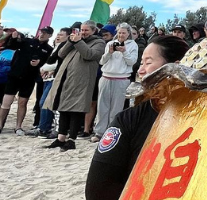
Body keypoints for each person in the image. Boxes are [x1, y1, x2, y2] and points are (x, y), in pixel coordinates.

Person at [85, 35, 189, 200]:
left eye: (148, 63)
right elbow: (99, 187)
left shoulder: (205, 119)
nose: (140, 70)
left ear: (175, 67)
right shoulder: (130, 119)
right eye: (141, 63)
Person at [43, 20, 104, 152]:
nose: (83, 32)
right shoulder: (75, 40)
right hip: (66, 78)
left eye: (86, 30)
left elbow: (89, 55)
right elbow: (61, 54)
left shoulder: (99, 42)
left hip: (82, 81)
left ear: (94, 31)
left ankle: (72, 140)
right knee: (63, 108)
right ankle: (61, 138)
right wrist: (70, 41)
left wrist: (78, 42)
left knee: (76, 110)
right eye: (82, 30)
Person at [0, 27, 54, 135]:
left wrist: (39, 63)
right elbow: (12, 46)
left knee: (23, 102)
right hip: (14, 75)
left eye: (45, 33)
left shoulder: (49, 49)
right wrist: (14, 38)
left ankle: (18, 127)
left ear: (50, 35)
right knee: (6, 102)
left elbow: (48, 64)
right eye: (41, 32)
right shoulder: (27, 41)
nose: (42, 34)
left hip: (29, 78)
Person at [92, 23, 138, 143]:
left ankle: (112, 132)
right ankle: (99, 133)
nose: (121, 35)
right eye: (119, 32)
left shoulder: (133, 45)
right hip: (106, 77)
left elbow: (132, 62)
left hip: (122, 79)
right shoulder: (109, 44)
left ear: (128, 34)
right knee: (102, 107)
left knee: (116, 108)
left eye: (124, 32)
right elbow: (102, 61)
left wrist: (124, 52)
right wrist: (109, 52)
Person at [27, 27, 70, 138]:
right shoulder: (56, 47)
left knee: (46, 103)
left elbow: (60, 64)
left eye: (61, 34)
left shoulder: (66, 48)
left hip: (55, 79)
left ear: (68, 37)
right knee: (43, 103)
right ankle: (43, 127)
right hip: (47, 78)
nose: (58, 36)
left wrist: (46, 68)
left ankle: (45, 128)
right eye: (58, 34)